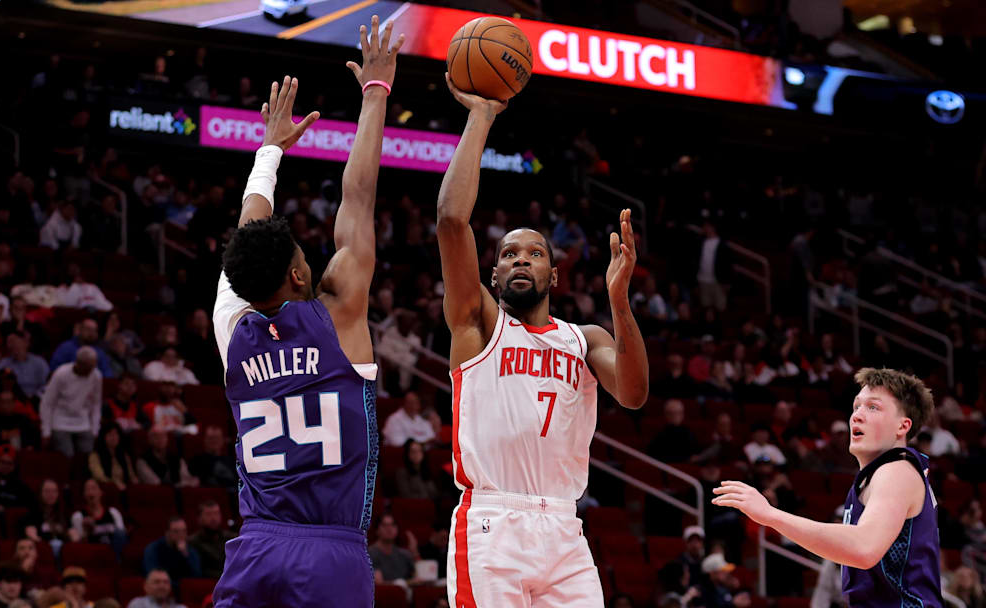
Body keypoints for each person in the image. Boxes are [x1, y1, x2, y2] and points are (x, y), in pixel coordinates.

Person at [436, 74, 649, 607]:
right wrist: (481, 117)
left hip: (563, 528)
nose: (520, 260)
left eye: (534, 254)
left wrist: (620, 303)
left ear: (555, 276)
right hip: (491, 522)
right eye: (508, 254)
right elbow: (450, 220)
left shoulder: (586, 338)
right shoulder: (478, 325)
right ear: (493, 277)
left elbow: (634, 393)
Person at [210, 22, 404, 608]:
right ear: (299, 275)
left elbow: (249, 230)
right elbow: (359, 196)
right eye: (303, 255)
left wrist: (269, 151)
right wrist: (375, 92)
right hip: (329, 554)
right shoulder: (340, 312)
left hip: (253, 549)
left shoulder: (231, 327)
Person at [713, 368, 942, 608]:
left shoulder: (896, 470)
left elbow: (863, 548)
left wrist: (771, 515)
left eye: (873, 407)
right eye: (856, 407)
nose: (857, 416)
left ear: (902, 426)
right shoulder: (877, 477)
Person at [40, 346, 102, 457]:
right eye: (89, 367)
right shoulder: (61, 373)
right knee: (67, 455)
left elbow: (96, 404)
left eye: (93, 366)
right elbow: (47, 403)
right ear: (79, 363)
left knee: (88, 456)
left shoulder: (96, 376)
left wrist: (95, 429)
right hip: (60, 420)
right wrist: (46, 431)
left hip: (83, 421)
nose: (92, 370)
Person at [20, 479, 79, 551]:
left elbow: (74, 535)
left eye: (54, 491)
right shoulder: (32, 514)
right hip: (42, 551)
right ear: (40, 493)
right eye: (47, 491)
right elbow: (32, 535)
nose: (51, 494)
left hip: (64, 552)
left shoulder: (63, 515)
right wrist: (46, 549)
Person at [71, 479, 127, 552]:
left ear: (101, 492)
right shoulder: (78, 516)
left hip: (113, 552)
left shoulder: (113, 512)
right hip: (91, 553)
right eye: (87, 489)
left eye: (94, 488)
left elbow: (122, 535)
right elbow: (79, 546)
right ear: (84, 494)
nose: (91, 492)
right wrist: (87, 532)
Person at [143, 517, 202, 584]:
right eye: (176, 531)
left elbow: (197, 576)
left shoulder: (190, 551)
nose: (181, 535)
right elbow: (151, 574)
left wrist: (186, 556)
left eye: (184, 531)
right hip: (162, 586)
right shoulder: (153, 549)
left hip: (184, 589)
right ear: (167, 532)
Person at [49, 319, 113, 378]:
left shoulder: (100, 352)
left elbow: (107, 375)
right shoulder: (66, 347)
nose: (91, 333)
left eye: (94, 330)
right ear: (80, 330)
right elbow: (54, 369)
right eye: (88, 329)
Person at [0, 444, 35, 509]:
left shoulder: (21, 487)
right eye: (2, 462)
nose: (5, 466)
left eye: (9, 463)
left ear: (13, 466)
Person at [189, 501, 235, 579]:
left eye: (216, 513)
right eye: (208, 514)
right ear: (199, 518)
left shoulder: (232, 539)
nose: (213, 518)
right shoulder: (192, 542)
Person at [0, 332, 49, 399]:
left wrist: (36, 396)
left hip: (36, 399)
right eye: (8, 342)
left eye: (14, 341)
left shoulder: (39, 363)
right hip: (14, 401)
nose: (10, 345)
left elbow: (46, 384)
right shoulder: (4, 364)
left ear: (25, 343)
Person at [367, 514, 416, 583]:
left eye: (393, 525)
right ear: (377, 530)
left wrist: (414, 552)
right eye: (384, 525)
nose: (389, 528)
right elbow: (378, 583)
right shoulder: (370, 553)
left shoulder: (404, 554)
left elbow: (418, 576)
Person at [695, 220, 732, 312]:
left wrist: (727, 282)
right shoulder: (700, 242)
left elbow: (727, 264)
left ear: (713, 227)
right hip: (703, 280)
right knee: (706, 308)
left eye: (707, 226)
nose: (705, 228)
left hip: (718, 282)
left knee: (720, 307)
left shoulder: (722, 244)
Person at [89, 423, 139, 490]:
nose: (114, 437)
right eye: (110, 434)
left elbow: (131, 475)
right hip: (106, 488)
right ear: (103, 437)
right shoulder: (95, 456)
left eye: (116, 434)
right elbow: (99, 476)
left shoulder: (123, 455)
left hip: (124, 487)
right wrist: (114, 484)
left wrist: (136, 484)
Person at [648, 399, 698, 463]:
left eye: (679, 413)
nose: (675, 416)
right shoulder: (660, 435)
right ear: (666, 415)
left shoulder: (689, 433)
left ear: (683, 414)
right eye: (671, 413)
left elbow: (695, 453)